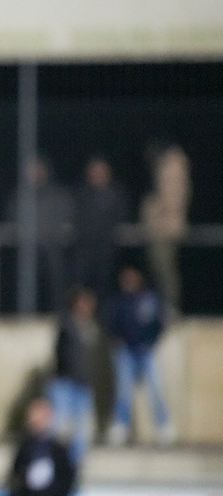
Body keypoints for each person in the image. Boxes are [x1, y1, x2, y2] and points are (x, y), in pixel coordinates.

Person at [103, 264, 174, 447]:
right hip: (125, 350)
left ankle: (163, 426)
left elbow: (159, 322)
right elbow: (110, 322)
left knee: (155, 389)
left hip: (145, 350)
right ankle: (120, 426)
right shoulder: (119, 300)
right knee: (123, 390)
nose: (129, 280)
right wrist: (115, 338)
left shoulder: (149, 298)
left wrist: (151, 341)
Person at [8, 156, 75, 312]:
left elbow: (67, 215)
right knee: (25, 277)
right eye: (31, 169)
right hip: (29, 246)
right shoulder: (20, 195)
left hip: (52, 245)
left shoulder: (57, 193)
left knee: (56, 279)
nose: (34, 172)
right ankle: (24, 312)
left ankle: (58, 312)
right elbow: (12, 217)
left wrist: (57, 233)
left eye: (37, 168)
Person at [48, 286, 98, 469]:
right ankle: (52, 463)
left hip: (82, 384)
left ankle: (73, 467)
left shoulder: (89, 327)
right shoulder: (67, 324)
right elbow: (61, 354)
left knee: (81, 430)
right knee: (56, 427)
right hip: (65, 381)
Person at [140, 142, 191, 319]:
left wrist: (152, 210)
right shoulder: (167, 167)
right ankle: (164, 305)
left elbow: (172, 200)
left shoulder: (172, 167)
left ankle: (170, 306)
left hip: (165, 227)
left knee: (165, 267)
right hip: (159, 226)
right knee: (159, 266)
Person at [72, 156, 129, 300]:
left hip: (107, 249)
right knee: (81, 285)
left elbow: (122, 217)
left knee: (104, 285)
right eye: (94, 170)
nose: (97, 174)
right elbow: (76, 218)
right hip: (84, 249)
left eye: (101, 170)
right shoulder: (81, 194)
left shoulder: (116, 194)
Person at [6, 397, 76, 496]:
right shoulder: (24, 448)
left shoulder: (59, 449)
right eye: (34, 416)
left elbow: (67, 479)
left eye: (41, 416)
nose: (36, 420)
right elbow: (15, 477)